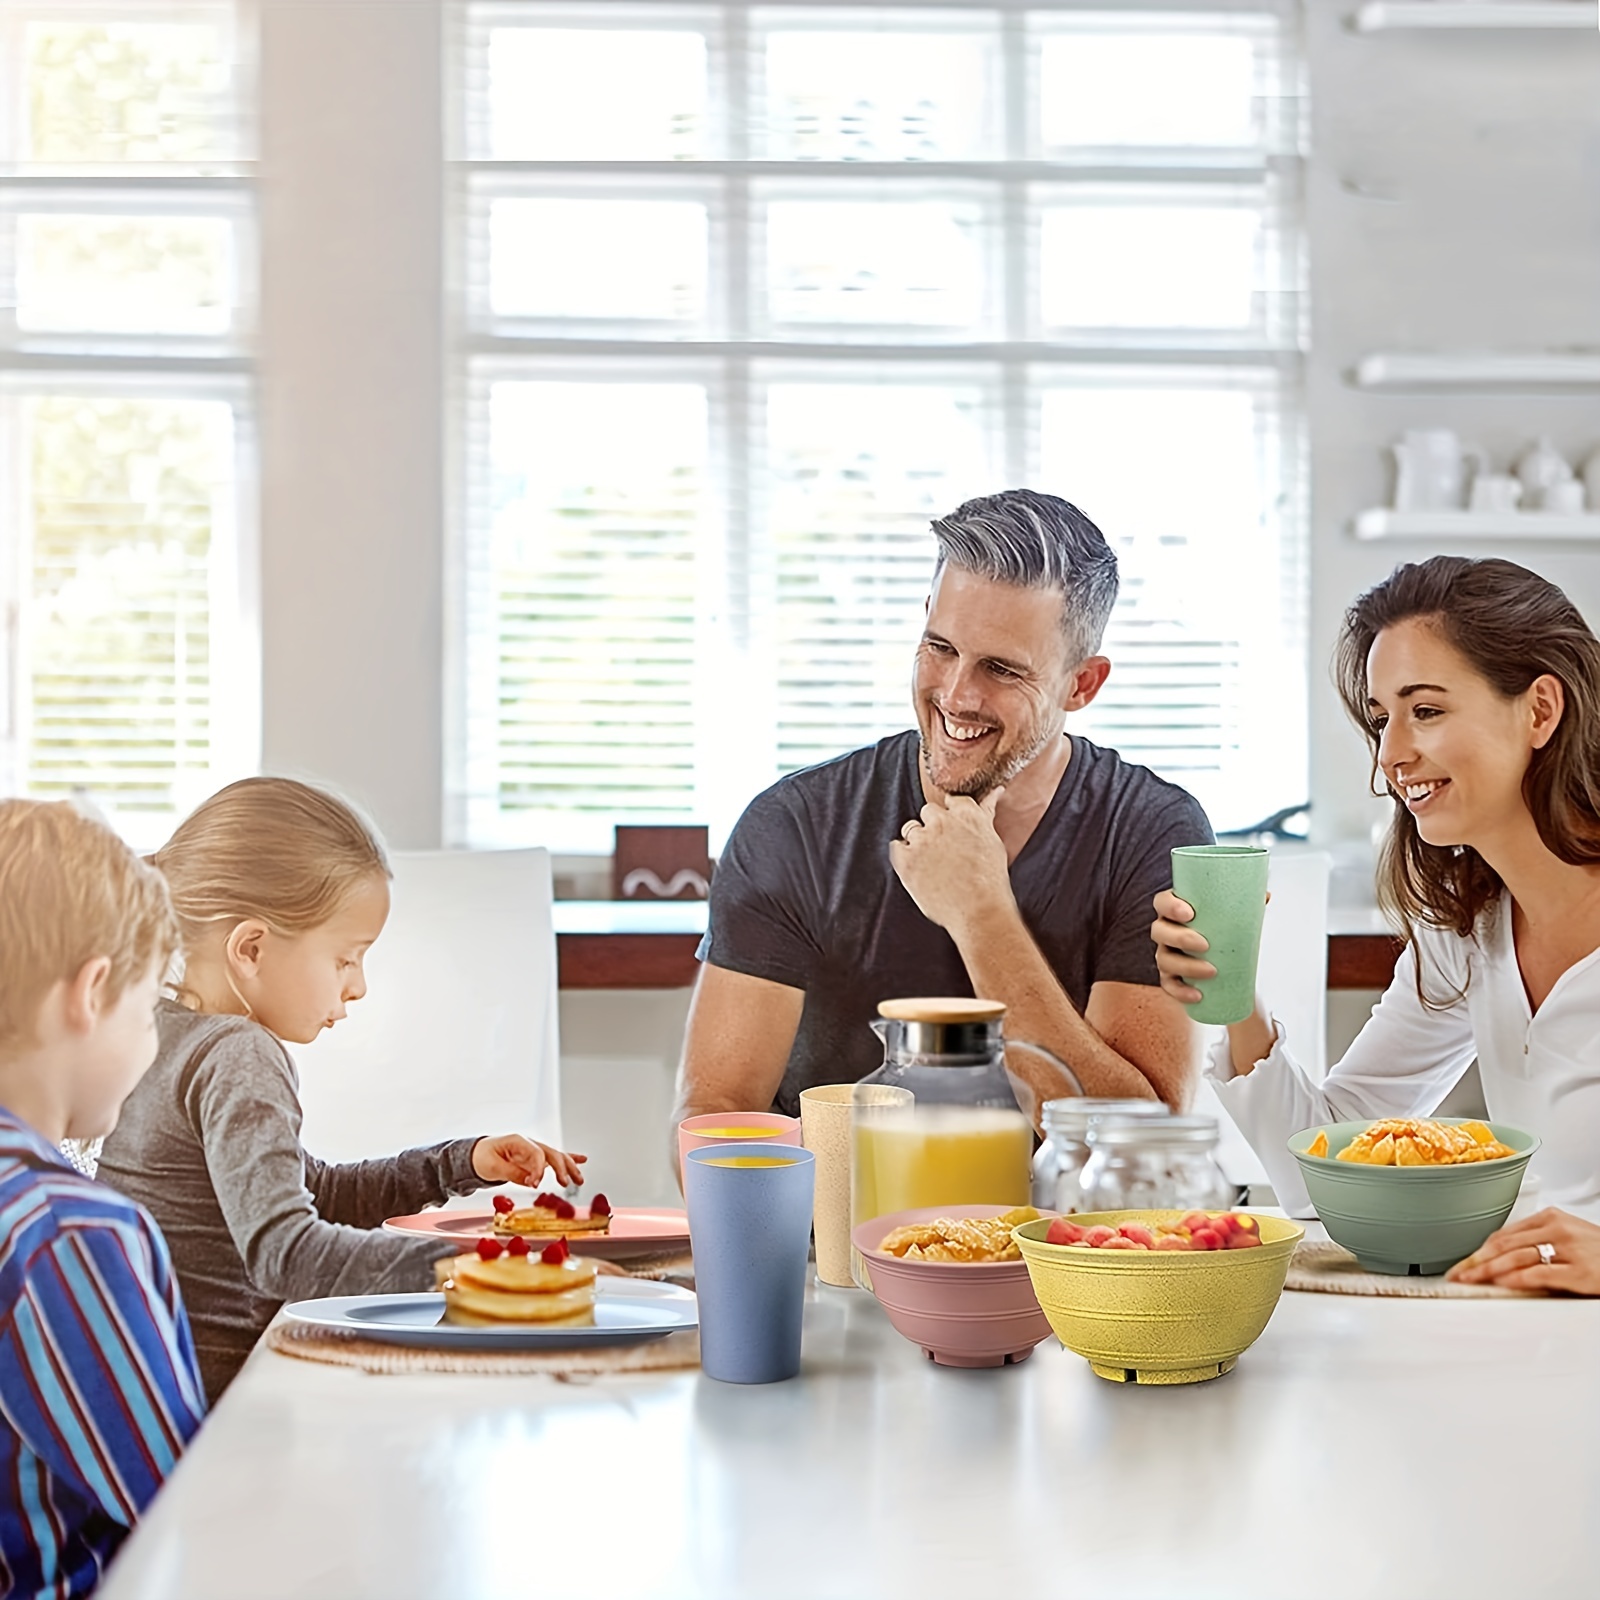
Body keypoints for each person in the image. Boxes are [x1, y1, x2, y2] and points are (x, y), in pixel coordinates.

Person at [678, 488, 1213, 1132]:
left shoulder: (1153, 834)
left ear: (1082, 684)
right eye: (941, 647)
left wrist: (982, 914)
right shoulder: (795, 827)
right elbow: (714, 1117)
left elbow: (1137, 1143)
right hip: (842, 1226)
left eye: (1001, 670)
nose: (957, 695)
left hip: (1061, 1232)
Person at [1152, 555, 1600, 1295]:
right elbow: (1326, 1170)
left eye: (1425, 710)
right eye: (1380, 718)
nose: (1391, 755)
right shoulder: (1466, 933)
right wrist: (1234, 993)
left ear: (1540, 711)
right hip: (1535, 1341)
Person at [95, 778, 586, 1400]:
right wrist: (469, 1269)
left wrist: (457, 1164)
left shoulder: (152, 1032)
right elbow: (287, 1255)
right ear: (251, 948)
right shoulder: (237, 1054)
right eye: (346, 958)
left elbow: (312, 1194)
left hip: (161, 1390)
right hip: (228, 1406)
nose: (358, 987)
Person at [0, 800, 206, 1599]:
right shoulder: (69, 1233)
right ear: (90, 992)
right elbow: (186, 1507)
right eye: (151, 1006)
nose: (151, 1044)